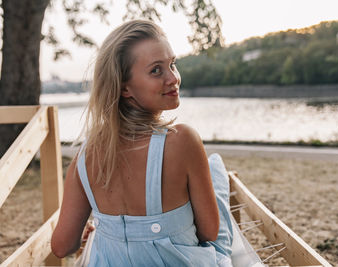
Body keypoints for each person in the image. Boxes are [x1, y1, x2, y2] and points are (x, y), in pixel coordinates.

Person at [51, 20, 233, 266]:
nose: (173, 78)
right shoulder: (182, 140)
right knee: (215, 170)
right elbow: (209, 233)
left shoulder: (85, 157)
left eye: (172, 65)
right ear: (125, 88)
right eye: (156, 70)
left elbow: (62, 246)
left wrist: (98, 231)